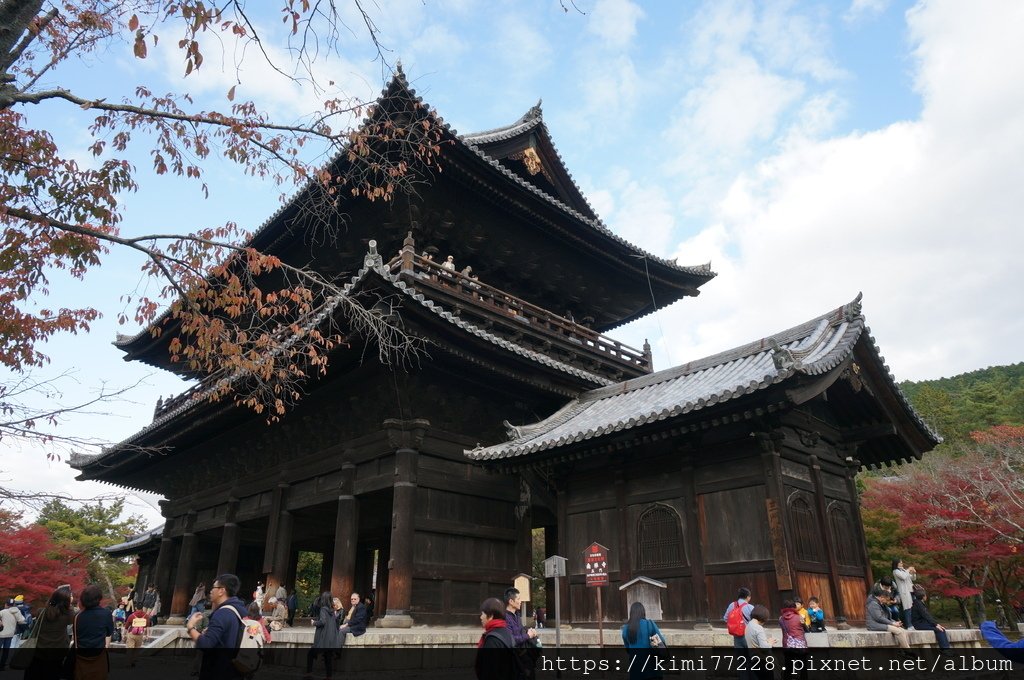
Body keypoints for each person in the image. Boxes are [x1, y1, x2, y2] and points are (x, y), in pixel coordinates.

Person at [185, 573, 248, 680]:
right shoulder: (238, 610)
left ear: (221, 591)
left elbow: (206, 644)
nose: (210, 591)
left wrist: (190, 627)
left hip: (217, 670)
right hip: (232, 669)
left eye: (213, 587)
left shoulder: (222, 613)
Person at [24, 587, 74, 680]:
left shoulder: (41, 611)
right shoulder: (68, 615)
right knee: (52, 675)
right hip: (57, 651)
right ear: (66, 600)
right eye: (70, 596)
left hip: (39, 650)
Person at [73, 584, 115, 680]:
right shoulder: (106, 614)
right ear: (99, 598)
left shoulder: (78, 616)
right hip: (98, 655)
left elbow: (76, 636)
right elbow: (109, 632)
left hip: (81, 656)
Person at [621, 601, 665, 680]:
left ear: (631, 613)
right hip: (652, 668)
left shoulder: (626, 628)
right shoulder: (649, 624)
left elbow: (627, 648)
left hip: (636, 668)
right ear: (643, 612)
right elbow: (660, 642)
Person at [475, 597, 515, 680]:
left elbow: (489, 672)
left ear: (491, 616)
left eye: (483, 614)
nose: (481, 617)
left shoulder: (492, 640)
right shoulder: (507, 633)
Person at [504, 587, 539, 680]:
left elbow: (520, 629)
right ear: (511, 601)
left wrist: (529, 630)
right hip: (515, 658)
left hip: (524, 654)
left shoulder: (517, 614)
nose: (520, 601)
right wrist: (528, 635)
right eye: (518, 599)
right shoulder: (505, 618)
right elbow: (511, 640)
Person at [304, 592, 341, 680]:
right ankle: (329, 676)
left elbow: (323, 622)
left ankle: (309, 672)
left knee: (310, 654)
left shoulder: (323, 609)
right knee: (328, 657)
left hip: (323, 638)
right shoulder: (332, 610)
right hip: (331, 638)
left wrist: (314, 623)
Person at [865, 583, 909, 648]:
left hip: (882, 623)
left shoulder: (883, 604)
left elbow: (888, 617)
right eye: (887, 600)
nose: (888, 602)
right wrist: (892, 623)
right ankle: (908, 650)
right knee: (899, 632)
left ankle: (903, 650)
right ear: (882, 597)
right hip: (874, 625)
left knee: (903, 631)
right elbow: (878, 618)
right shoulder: (873, 604)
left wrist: (895, 622)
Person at [0, 598, 26, 670]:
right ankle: (2, 666)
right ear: (13, 605)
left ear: (6, 604)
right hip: (10, 634)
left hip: (1, 634)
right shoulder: (17, 612)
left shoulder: (3, 611)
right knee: (6, 651)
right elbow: (22, 621)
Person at [892, 558, 916, 629]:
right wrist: (908, 570)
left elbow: (912, 579)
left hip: (910, 591)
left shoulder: (904, 571)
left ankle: (905, 624)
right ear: (897, 563)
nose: (902, 564)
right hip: (904, 592)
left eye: (902, 563)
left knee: (907, 608)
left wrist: (913, 573)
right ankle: (909, 625)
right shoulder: (895, 571)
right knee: (907, 608)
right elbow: (903, 577)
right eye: (900, 563)